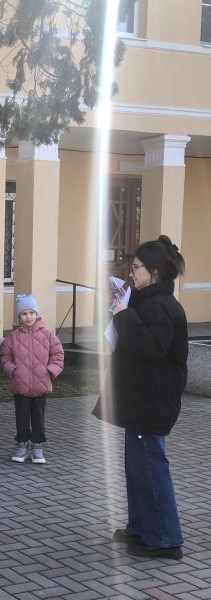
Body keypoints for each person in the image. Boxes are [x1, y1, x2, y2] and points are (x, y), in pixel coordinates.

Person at [94, 236, 188, 561]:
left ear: (155, 271)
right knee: (137, 470)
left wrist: (123, 315)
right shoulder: (146, 302)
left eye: (136, 268)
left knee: (151, 468)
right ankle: (141, 528)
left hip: (152, 402)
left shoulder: (162, 306)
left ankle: (164, 538)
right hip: (141, 401)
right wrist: (122, 312)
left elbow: (151, 347)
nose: (131, 273)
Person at [0, 293, 64, 464]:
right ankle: (22, 445)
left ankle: (37, 446)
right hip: (20, 386)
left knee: (38, 418)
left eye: (31, 313)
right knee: (21, 417)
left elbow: (58, 355)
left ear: (37, 314)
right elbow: (4, 356)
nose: (28, 317)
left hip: (41, 385)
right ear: (19, 316)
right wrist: (12, 370)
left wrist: (50, 371)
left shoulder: (48, 335)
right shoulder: (13, 337)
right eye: (24, 313)